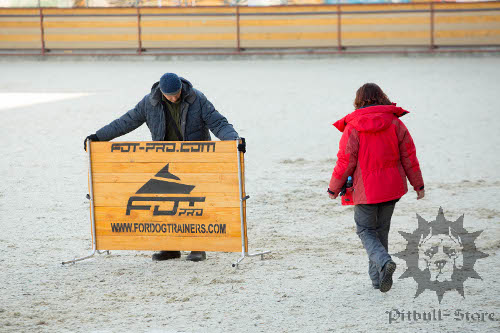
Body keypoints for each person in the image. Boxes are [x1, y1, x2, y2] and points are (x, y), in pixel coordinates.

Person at [84, 73, 240, 262]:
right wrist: (99, 137)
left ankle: (197, 247)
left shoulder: (197, 99)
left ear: (181, 88)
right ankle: (170, 248)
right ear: (162, 92)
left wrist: (233, 140)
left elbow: (217, 122)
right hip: (164, 158)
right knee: (165, 204)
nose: (174, 98)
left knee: (191, 204)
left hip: (194, 158)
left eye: (177, 93)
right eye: (170, 95)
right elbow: (127, 121)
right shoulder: (149, 103)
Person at [327, 83, 424, 292]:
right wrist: (418, 184)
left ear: (358, 100)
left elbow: (346, 161)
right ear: (382, 97)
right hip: (391, 188)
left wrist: (333, 188)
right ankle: (378, 280)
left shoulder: (353, 126)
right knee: (381, 231)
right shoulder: (395, 123)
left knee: (365, 230)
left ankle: (383, 262)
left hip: (366, 190)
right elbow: (409, 156)